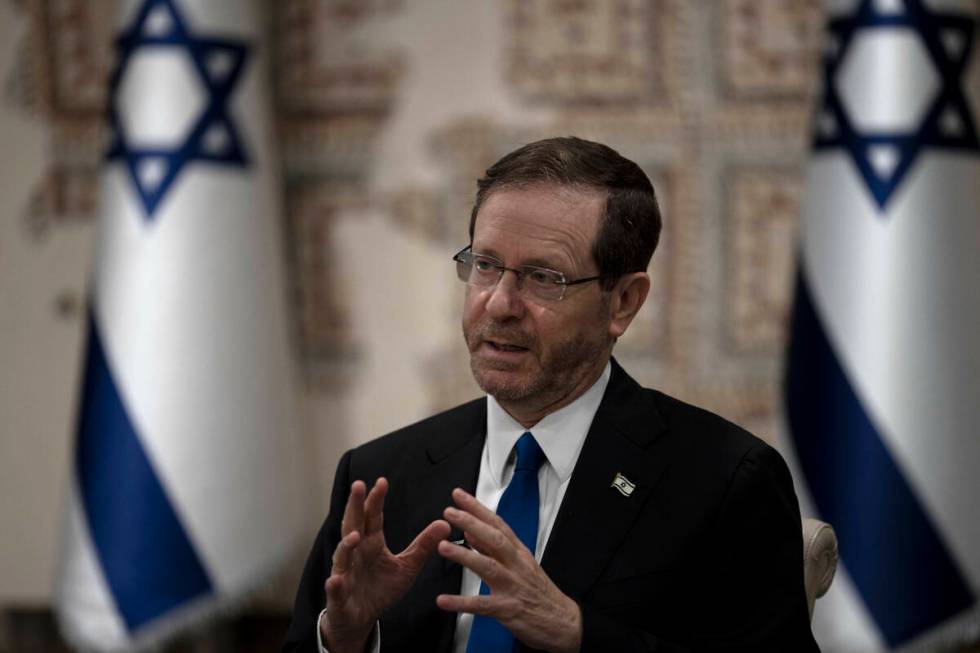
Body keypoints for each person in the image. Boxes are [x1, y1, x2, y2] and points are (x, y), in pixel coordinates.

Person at [283, 137, 819, 653]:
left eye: (544, 278)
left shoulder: (725, 481)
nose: (499, 304)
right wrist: (345, 638)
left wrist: (578, 632)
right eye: (486, 265)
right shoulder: (382, 475)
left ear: (624, 302)